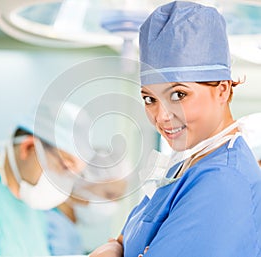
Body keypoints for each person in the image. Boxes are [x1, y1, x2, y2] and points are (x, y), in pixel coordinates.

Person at [89, 1, 261, 257]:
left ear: (223, 89)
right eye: (150, 99)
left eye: (179, 94)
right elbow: (125, 238)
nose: (161, 116)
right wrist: (117, 246)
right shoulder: (184, 165)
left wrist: (117, 248)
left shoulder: (223, 180)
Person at [0, 100, 90, 256]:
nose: (67, 183)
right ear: (28, 147)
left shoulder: (34, 207)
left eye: (75, 175)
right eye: (66, 168)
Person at [46, 149, 129, 255]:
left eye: (118, 199)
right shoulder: (52, 223)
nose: (112, 205)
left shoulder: (69, 230)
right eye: (109, 195)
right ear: (81, 181)